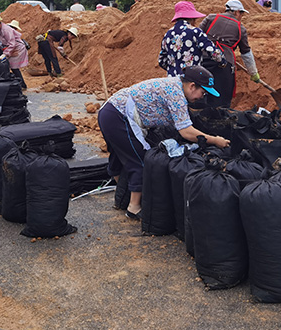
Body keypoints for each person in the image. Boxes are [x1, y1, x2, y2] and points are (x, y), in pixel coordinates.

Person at [97, 65, 230, 219]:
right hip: (119, 116)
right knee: (141, 158)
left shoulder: (175, 84)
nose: (202, 97)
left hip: (109, 111)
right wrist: (214, 140)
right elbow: (185, 131)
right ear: (192, 86)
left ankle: (123, 196)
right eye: (203, 92)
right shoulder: (176, 94)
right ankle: (134, 207)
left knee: (121, 155)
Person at [199, 0, 260, 107]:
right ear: (236, 12)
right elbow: (246, 53)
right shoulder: (240, 28)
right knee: (221, 98)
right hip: (224, 65)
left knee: (200, 91)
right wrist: (253, 72)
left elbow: (198, 36)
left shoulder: (210, 18)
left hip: (203, 60)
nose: (241, 16)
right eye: (241, 13)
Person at [158, 0, 225, 77]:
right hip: (191, 80)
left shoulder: (168, 34)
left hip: (173, 81)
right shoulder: (195, 32)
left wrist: (174, 68)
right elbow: (213, 51)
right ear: (192, 18)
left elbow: (161, 60)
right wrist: (222, 62)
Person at [0, 13, 28, 89]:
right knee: (7, 65)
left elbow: (12, 44)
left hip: (17, 48)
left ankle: (22, 85)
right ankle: (12, 83)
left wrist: (5, 54)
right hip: (9, 48)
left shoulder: (6, 30)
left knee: (13, 67)